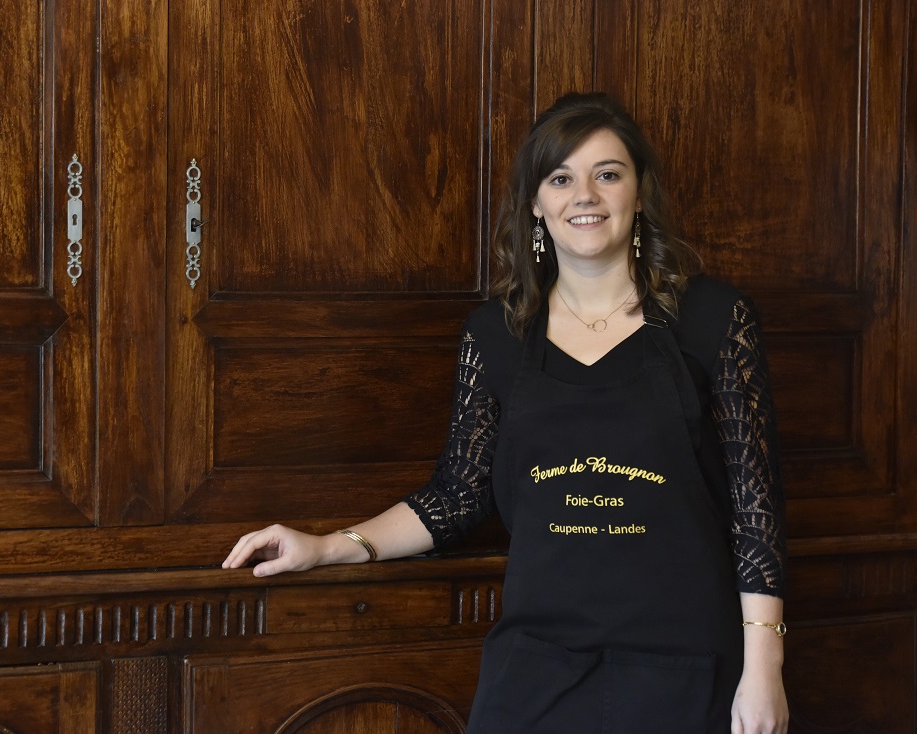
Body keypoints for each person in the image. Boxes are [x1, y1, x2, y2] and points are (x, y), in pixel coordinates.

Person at [223, 91, 788, 734]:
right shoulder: (496, 334)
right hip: (536, 668)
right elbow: (458, 494)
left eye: (607, 174)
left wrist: (764, 669)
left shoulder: (714, 319)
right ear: (536, 203)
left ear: (639, 192)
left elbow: (756, 511)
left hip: (685, 664)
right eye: (560, 178)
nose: (584, 195)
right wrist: (328, 546)